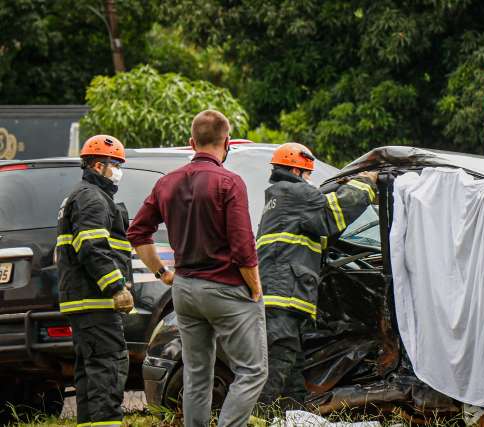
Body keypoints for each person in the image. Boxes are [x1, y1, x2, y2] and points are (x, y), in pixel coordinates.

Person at [127, 110, 267, 427]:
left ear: (192, 142)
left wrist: (163, 274)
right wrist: (255, 288)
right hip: (226, 289)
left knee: (197, 373)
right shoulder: (230, 182)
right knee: (253, 370)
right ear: (227, 142)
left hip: (185, 289)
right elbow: (243, 246)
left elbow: (137, 232)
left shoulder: (167, 183)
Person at [256, 142, 377, 407]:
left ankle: (292, 416)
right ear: (297, 171)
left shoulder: (278, 198)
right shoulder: (296, 193)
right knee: (277, 367)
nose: (310, 181)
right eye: (308, 174)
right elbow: (335, 212)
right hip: (284, 297)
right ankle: (256, 418)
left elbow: (318, 233)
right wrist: (367, 183)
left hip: (278, 297)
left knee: (292, 369)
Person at [56, 135, 134, 427]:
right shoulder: (91, 197)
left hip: (84, 302)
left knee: (91, 373)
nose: (118, 171)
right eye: (115, 164)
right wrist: (115, 287)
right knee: (108, 368)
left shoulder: (81, 195)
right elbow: (92, 246)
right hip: (96, 300)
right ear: (99, 165)